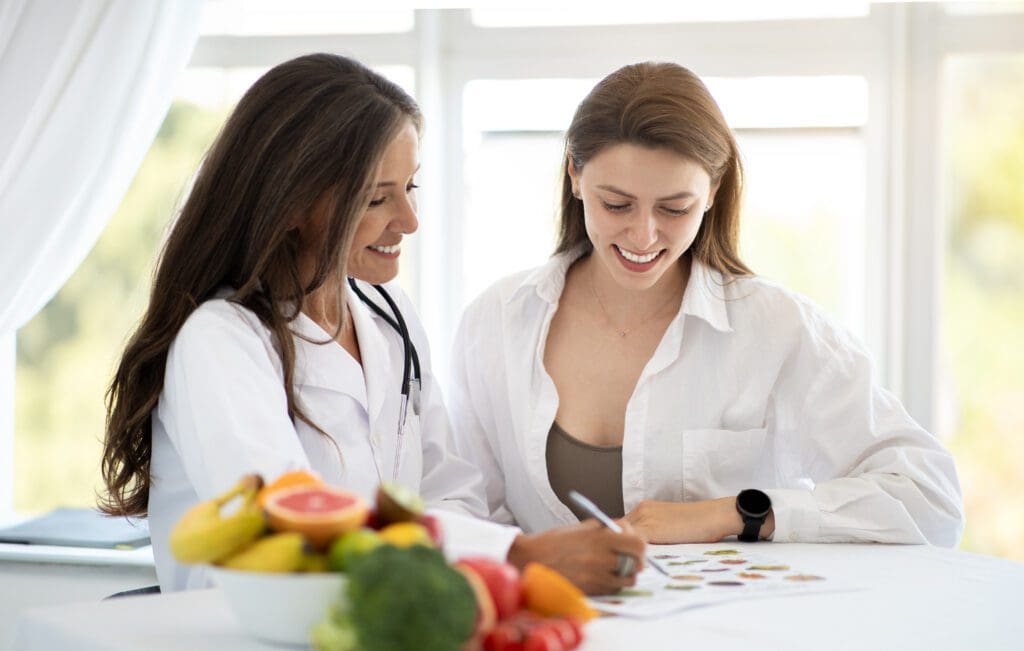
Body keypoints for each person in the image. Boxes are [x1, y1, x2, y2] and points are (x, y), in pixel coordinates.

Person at [98, 53, 644, 594]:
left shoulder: (391, 318)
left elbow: (451, 491)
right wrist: (515, 554)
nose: (409, 221)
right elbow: (292, 531)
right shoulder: (221, 341)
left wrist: (485, 563)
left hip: (392, 616)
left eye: (411, 188)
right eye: (377, 198)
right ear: (291, 203)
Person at [449, 61, 964, 548]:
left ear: (714, 191)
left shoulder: (776, 330)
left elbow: (931, 498)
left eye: (675, 208)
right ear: (575, 177)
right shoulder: (495, 323)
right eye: (616, 204)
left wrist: (736, 513)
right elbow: (468, 520)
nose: (643, 235)